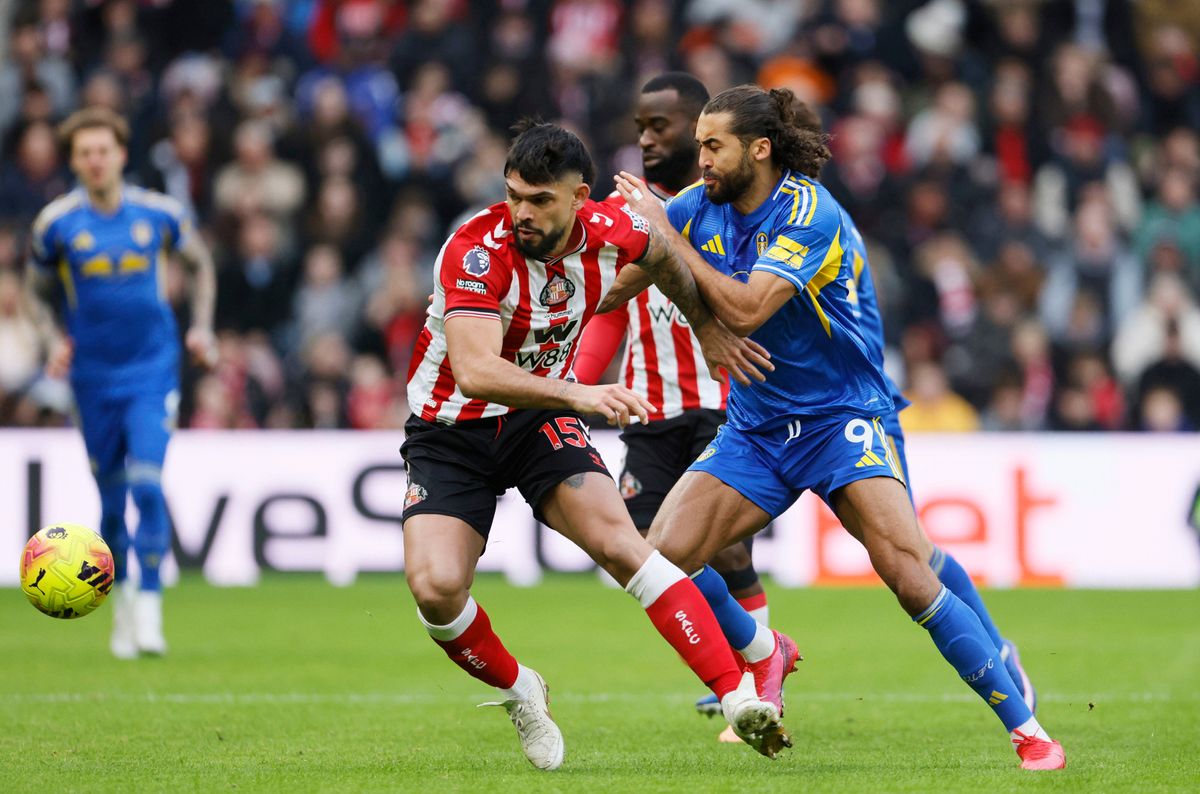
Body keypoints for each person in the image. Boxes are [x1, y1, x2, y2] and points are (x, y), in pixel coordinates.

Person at [612, 85, 1065, 770]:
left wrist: (668, 240)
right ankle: (765, 650)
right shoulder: (696, 205)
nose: (698, 159)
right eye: (698, 144)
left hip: (841, 417)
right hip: (757, 428)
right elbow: (629, 275)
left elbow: (746, 308)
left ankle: (1028, 729)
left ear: (759, 149)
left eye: (712, 146)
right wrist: (575, 282)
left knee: (908, 570)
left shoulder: (810, 211)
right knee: (660, 557)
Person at [400, 119, 789, 770]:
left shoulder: (611, 230)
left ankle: (736, 696)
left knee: (625, 545)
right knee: (437, 589)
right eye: (514, 195)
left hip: (536, 423)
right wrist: (579, 393)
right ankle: (522, 690)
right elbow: (474, 371)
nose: (522, 213)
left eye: (540, 200)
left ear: (580, 197)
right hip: (451, 432)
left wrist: (705, 329)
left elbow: (662, 256)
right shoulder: (475, 251)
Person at [572, 72, 795, 743]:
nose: (646, 139)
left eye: (660, 126)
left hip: (727, 404)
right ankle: (760, 654)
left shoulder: (737, 208)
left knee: (725, 548)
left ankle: (755, 684)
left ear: (702, 128)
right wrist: (576, 387)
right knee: (648, 551)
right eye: (640, 127)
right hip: (650, 408)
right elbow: (609, 310)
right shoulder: (623, 212)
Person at [26, 107, 217, 659]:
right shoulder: (56, 224)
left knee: (147, 485)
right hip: (91, 378)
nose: (96, 160)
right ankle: (125, 605)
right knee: (110, 503)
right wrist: (51, 339)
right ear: (73, 161)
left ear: (121, 155)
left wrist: (202, 327)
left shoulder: (159, 214)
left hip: (152, 370)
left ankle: (151, 606)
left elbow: (201, 264)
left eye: (103, 150)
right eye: (85, 152)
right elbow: (34, 290)